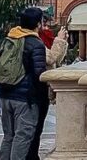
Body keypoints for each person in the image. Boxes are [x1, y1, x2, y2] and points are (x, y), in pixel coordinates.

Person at [0, 6, 48, 160]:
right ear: (38, 23)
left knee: (8, 136)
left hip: (5, 95)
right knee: (23, 137)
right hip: (25, 99)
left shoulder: (10, 38)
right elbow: (39, 74)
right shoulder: (35, 43)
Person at [27, 15, 68, 160]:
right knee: (33, 127)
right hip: (35, 90)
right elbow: (51, 58)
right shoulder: (35, 41)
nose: (47, 27)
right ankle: (30, 156)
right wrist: (60, 40)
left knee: (35, 127)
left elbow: (54, 58)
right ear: (37, 24)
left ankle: (31, 154)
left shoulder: (37, 39)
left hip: (33, 91)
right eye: (44, 24)